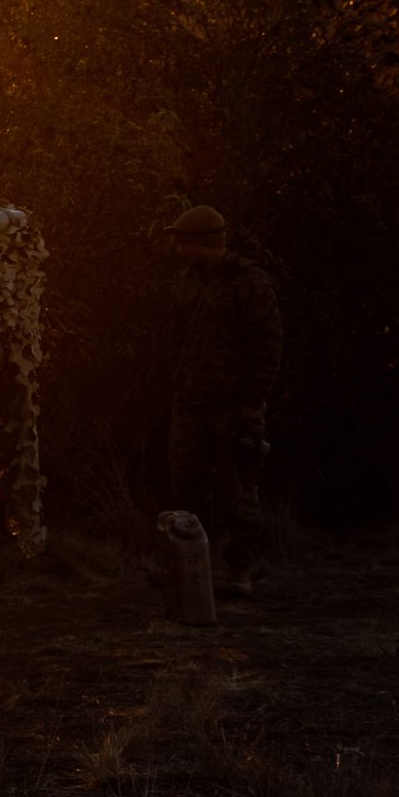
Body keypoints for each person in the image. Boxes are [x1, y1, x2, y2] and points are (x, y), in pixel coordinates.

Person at [161, 204, 283, 595]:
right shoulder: (185, 282)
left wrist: (252, 403)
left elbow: (267, 345)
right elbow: (175, 342)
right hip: (191, 404)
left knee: (238, 494)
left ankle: (239, 572)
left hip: (234, 408)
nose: (180, 251)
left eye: (186, 244)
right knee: (185, 492)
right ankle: (189, 572)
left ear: (207, 244)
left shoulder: (249, 283)